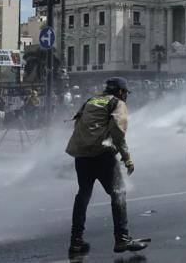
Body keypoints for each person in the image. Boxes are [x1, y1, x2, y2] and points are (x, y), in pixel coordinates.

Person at [65, 77, 148, 256]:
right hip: (102, 155)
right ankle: (122, 239)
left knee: (83, 194)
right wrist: (127, 158)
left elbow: (78, 125)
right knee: (118, 193)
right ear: (119, 92)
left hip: (81, 155)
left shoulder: (91, 100)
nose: (126, 97)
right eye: (125, 93)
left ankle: (76, 241)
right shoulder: (116, 103)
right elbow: (118, 132)